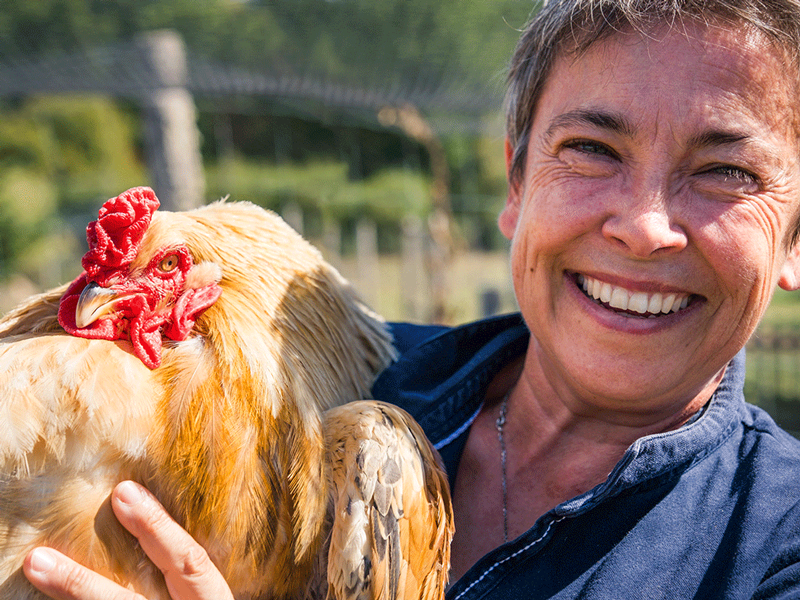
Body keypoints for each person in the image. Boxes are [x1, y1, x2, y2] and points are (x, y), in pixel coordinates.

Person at [22, 0, 800, 597]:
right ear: (517, 184)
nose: (642, 227)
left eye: (726, 172)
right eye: (592, 149)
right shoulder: (304, 391)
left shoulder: (775, 546)